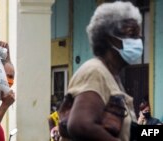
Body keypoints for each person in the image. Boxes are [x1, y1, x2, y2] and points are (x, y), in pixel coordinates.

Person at [61, 1, 143, 141]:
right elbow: (80, 125)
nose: (138, 41)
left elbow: (130, 132)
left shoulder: (112, 76)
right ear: (109, 39)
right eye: (131, 35)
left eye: (138, 36)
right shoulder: (95, 71)